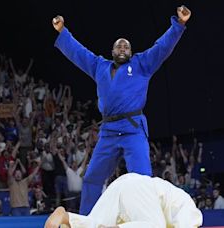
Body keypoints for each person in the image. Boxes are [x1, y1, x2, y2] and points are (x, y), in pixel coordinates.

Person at [52, 5, 191, 215]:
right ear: (112, 52)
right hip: (108, 131)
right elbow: (79, 53)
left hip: (133, 128)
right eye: (119, 47)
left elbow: (162, 47)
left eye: (126, 47)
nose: (123, 49)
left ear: (131, 52)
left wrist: (179, 24)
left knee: (142, 180)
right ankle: (87, 220)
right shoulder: (100, 66)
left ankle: (148, 220)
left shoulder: (141, 64)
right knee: (91, 179)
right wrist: (63, 31)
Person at [45, 173, 202, 228]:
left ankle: (67, 218)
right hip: (138, 188)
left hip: (117, 190)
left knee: (94, 224)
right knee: (154, 226)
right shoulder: (190, 211)